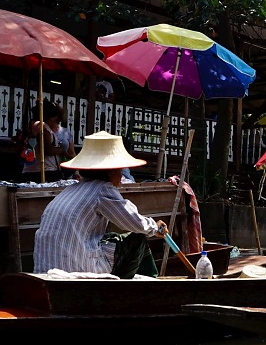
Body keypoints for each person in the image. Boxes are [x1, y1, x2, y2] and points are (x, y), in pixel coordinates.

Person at [34, 131, 167, 278]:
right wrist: (155, 227)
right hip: (76, 268)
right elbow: (135, 223)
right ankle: (134, 289)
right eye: (120, 171)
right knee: (137, 239)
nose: (122, 177)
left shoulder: (70, 189)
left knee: (112, 237)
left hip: (43, 268)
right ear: (110, 171)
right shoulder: (103, 189)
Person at [22, 100, 67, 183]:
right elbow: (47, 149)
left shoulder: (32, 125)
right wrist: (62, 150)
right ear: (50, 117)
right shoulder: (42, 127)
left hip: (32, 169)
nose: (57, 124)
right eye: (56, 120)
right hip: (44, 170)